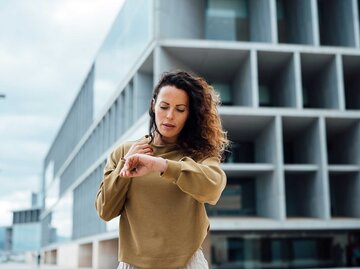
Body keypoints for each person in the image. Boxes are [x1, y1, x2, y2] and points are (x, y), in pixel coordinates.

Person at [95, 70, 229, 269]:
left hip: (187, 263)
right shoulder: (124, 152)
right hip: (133, 264)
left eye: (180, 109)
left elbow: (213, 187)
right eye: (164, 106)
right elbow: (105, 210)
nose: (169, 116)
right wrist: (125, 167)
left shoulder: (199, 154)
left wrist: (160, 165)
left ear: (190, 114)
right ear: (153, 105)